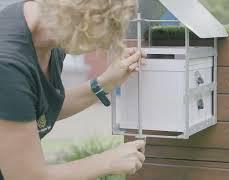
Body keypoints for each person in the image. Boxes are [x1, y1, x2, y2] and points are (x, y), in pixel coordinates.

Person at [0, 0, 147, 179]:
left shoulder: (49, 33)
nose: (101, 45)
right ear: (80, 18)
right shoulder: (8, 65)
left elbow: (33, 109)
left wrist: (105, 83)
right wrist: (107, 161)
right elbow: (27, 177)